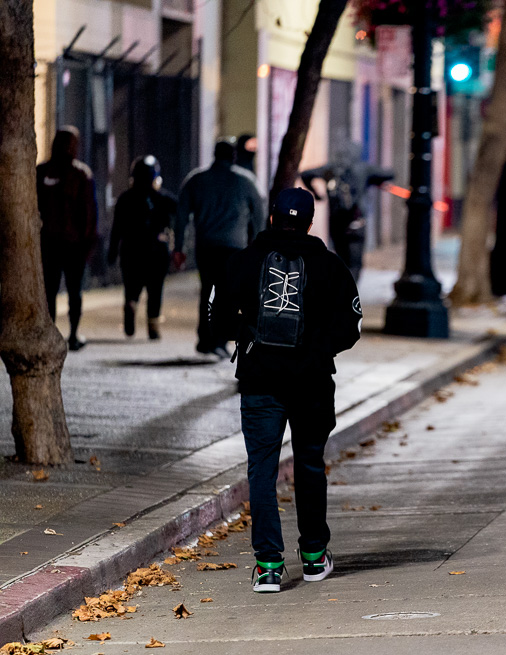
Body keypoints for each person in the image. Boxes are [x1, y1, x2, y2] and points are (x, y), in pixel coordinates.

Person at [210, 187, 363, 593]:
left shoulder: (241, 262)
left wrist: (245, 333)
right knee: (310, 463)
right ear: (311, 223)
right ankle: (314, 557)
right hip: (312, 381)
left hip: (260, 380)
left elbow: (215, 319)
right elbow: (351, 327)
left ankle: (269, 566)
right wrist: (317, 347)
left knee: (262, 467)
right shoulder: (330, 266)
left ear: (272, 219)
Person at [175, 138, 266, 358]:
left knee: (207, 289)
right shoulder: (245, 182)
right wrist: (256, 242)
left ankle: (204, 338)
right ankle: (218, 339)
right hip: (234, 247)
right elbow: (259, 214)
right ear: (233, 156)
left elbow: (181, 216)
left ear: (214, 154)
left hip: (206, 246)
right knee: (227, 294)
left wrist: (179, 247)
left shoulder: (196, 180)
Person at [37, 126, 98, 351]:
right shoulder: (81, 174)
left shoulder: (42, 172)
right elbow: (89, 212)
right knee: (73, 291)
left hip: (50, 242)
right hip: (72, 243)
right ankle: (72, 334)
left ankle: (54, 333)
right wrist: (89, 240)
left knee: (51, 290)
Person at [300, 142, 393, 282]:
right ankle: (350, 295)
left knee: (341, 259)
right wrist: (373, 180)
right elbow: (390, 174)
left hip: (336, 224)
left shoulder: (330, 169)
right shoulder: (364, 169)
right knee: (354, 264)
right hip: (356, 224)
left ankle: (341, 292)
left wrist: (316, 194)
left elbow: (305, 174)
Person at [107, 156, 177, 340]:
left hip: (131, 250)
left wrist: (112, 253)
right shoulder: (163, 198)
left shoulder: (125, 199)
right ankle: (153, 325)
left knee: (131, 286)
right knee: (155, 289)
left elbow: (117, 229)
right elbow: (180, 212)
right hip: (157, 251)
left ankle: (131, 303)